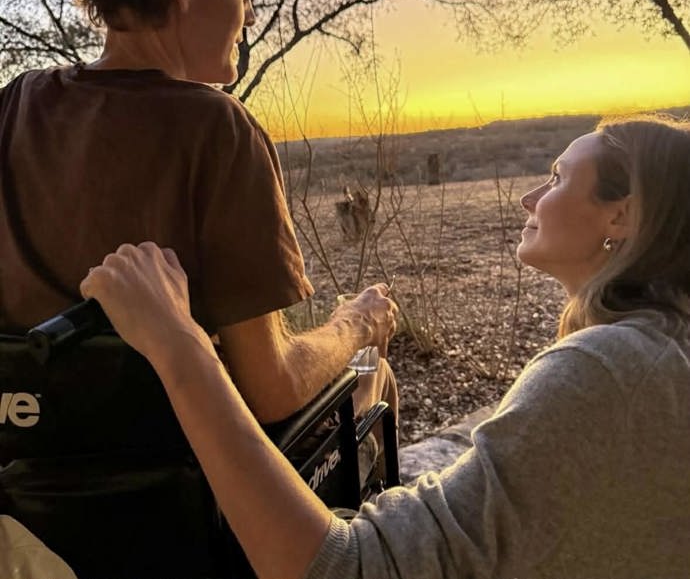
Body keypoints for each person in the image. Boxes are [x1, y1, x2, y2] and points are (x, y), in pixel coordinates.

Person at [82, 113, 690, 579]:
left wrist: (180, 346)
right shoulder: (660, 349)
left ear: (622, 216)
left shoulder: (607, 371)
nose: (530, 199)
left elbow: (341, 567)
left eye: (557, 178)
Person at [0, 0, 396, 425]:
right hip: (181, 480)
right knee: (372, 375)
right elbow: (274, 386)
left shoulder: (15, 104)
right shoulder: (218, 129)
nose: (250, 13)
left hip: (27, 473)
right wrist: (356, 324)